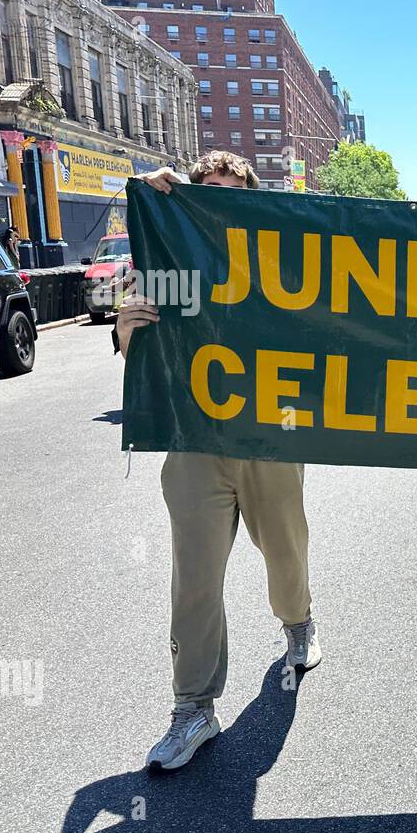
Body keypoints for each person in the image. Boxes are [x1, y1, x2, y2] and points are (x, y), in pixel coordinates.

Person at [114, 150, 320, 771]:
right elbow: (132, 350)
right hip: (195, 445)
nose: (220, 211)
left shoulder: (285, 264)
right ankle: (193, 706)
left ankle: (298, 620)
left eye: (233, 197)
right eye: (208, 198)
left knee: (285, 550)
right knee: (195, 577)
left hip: (270, 442)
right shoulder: (165, 263)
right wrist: (126, 322)